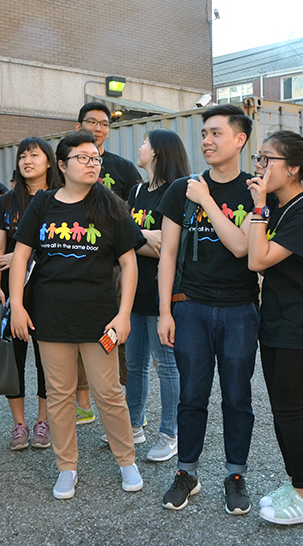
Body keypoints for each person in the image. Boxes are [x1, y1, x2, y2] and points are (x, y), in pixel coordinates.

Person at [9, 130, 146, 500]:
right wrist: (17, 305)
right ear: (63, 165)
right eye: (83, 157)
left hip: (99, 318)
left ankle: (126, 460)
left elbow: (129, 264)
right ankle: (66, 467)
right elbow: (21, 255)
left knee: (109, 393)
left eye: (96, 158)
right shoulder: (43, 204)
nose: (92, 163)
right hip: (50, 318)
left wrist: (124, 315)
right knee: (59, 395)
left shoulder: (111, 205)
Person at [157, 104, 262, 514]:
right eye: (204, 133)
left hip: (239, 310)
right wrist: (166, 311)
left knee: (237, 397)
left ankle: (236, 475)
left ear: (240, 140)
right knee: (191, 395)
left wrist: (206, 200)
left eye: (217, 133)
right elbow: (167, 255)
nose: (207, 141)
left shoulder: (254, 192)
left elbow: (242, 248)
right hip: (191, 309)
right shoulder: (181, 189)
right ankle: (187, 473)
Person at [245, 131, 303, 525]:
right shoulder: (282, 206)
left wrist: (259, 206)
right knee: (281, 409)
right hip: (279, 318)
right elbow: (252, 251)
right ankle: (294, 483)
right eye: (259, 159)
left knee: (288, 409)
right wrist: (263, 208)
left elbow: (258, 259)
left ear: (294, 168)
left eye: (268, 160)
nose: (261, 167)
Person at [121, 129, 190, 462]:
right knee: (133, 365)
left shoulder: (177, 192)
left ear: (159, 152)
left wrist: (139, 239)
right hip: (135, 290)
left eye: (145, 142)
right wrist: (146, 237)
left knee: (166, 367)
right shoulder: (136, 190)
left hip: (166, 293)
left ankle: (170, 433)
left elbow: (168, 248)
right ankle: (133, 426)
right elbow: (130, 238)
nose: (140, 147)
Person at [0, 137, 60, 450]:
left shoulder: (60, 199)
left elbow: (60, 249)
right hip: (11, 291)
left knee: (48, 359)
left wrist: (23, 256)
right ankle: (19, 425)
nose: (27, 161)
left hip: (49, 291)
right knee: (12, 359)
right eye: (23, 156)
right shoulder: (5, 203)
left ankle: (43, 421)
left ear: (49, 162)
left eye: (35, 155)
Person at [73, 102, 142, 424]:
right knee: (76, 334)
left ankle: (128, 402)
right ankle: (83, 400)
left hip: (114, 263)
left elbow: (136, 211)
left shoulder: (124, 168)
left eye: (103, 123)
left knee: (117, 330)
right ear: (78, 127)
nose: (97, 128)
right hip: (74, 261)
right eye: (91, 122)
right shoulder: (66, 166)